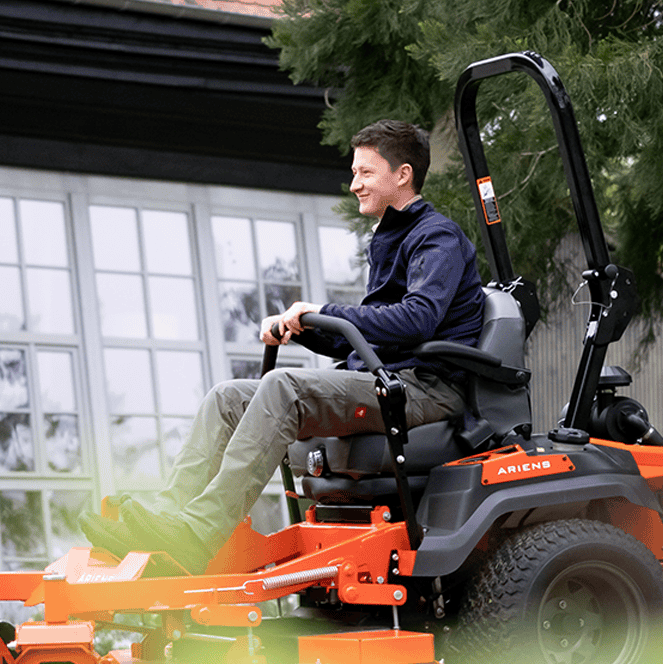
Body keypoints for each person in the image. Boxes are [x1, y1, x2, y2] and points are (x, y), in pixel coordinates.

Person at [86, 119, 484, 566]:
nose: (354, 184)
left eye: (365, 173)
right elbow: (372, 340)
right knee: (227, 397)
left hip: (426, 388)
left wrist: (327, 313)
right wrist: (305, 328)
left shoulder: (436, 237)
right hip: (387, 376)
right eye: (355, 173)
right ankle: (164, 516)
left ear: (403, 174)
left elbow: (417, 320)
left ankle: (199, 531)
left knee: (283, 386)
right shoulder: (391, 238)